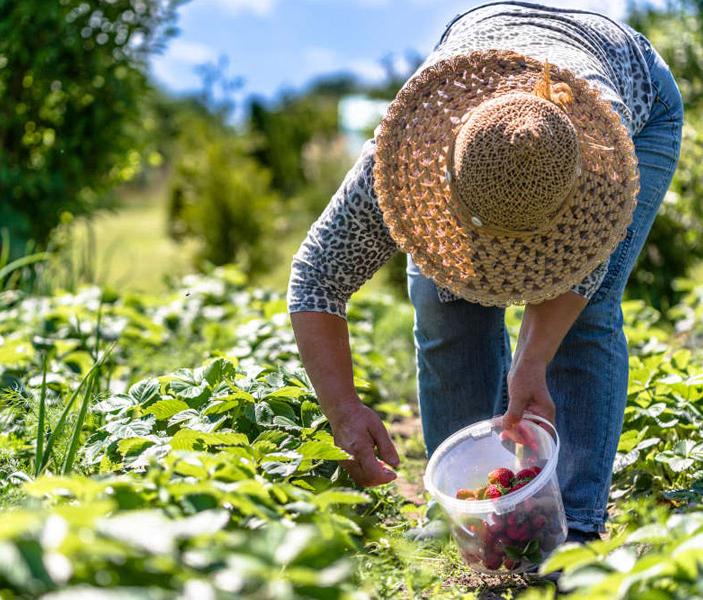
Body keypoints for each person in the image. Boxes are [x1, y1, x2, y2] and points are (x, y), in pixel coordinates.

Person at [287, 1, 683, 543]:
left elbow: (584, 277)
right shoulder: (410, 145)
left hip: (633, 88)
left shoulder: (601, 165)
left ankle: (575, 526)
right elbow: (316, 278)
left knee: (585, 321)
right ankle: (469, 518)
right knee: (442, 299)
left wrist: (532, 363)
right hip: (483, 56)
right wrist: (344, 411)